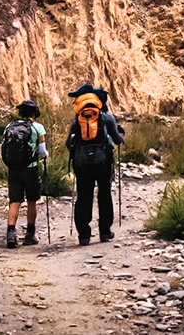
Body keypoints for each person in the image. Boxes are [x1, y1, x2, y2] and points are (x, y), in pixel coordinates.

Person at [65, 83, 124, 245]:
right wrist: (119, 135)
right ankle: (105, 232)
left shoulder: (78, 120)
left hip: (82, 164)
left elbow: (68, 143)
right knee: (104, 194)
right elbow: (118, 140)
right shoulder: (106, 118)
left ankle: (83, 235)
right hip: (102, 162)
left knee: (83, 196)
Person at [0, 100, 48, 248]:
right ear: (34, 113)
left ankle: (10, 234)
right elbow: (42, 152)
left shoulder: (10, 126)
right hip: (30, 169)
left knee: (14, 201)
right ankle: (30, 234)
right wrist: (45, 155)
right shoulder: (38, 127)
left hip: (13, 169)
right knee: (32, 201)